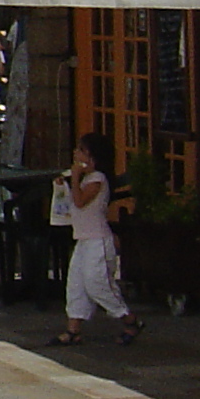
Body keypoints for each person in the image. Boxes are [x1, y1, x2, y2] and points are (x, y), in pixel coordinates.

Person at [51, 130, 141, 347]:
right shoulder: (85, 179)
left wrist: (73, 178)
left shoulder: (98, 179)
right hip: (83, 239)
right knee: (76, 284)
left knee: (97, 283)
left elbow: (81, 202)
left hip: (98, 241)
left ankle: (129, 319)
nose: (77, 154)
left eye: (82, 151)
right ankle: (74, 329)